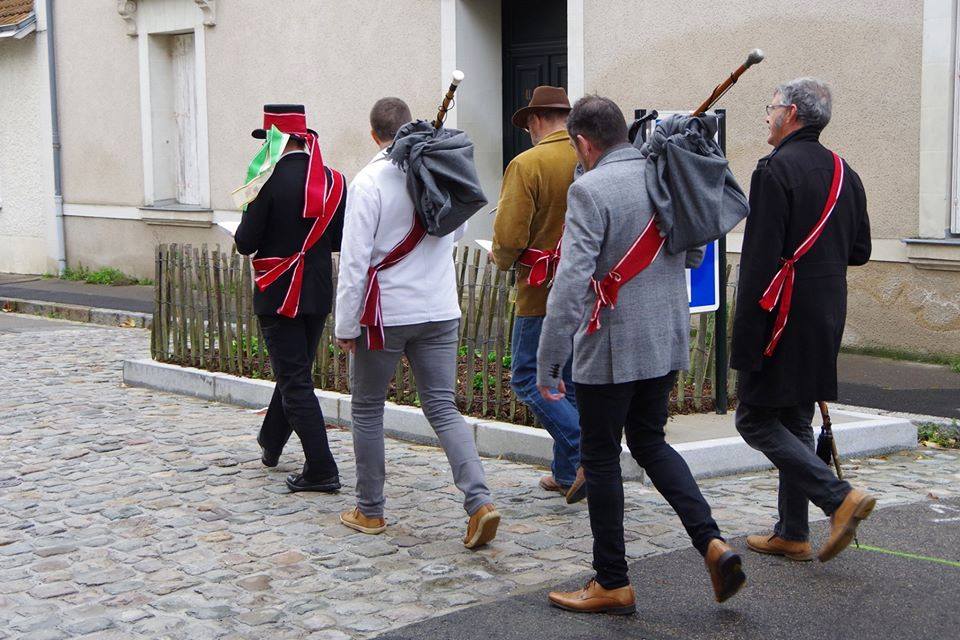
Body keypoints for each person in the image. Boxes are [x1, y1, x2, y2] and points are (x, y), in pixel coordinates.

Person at [536, 96, 745, 615]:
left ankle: (612, 581)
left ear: (584, 142)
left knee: (601, 458)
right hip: (665, 337)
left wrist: (548, 359)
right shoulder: (665, 176)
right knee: (651, 442)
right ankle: (711, 541)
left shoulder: (589, 190)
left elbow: (569, 283)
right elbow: (695, 249)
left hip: (610, 343)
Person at [334, 97, 500, 549]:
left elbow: (354, 263)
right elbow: (456, 229)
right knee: (443, 408)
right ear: (410, 126)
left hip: (386, 313)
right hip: (440, 307)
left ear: (374, 135)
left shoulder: (368, 182)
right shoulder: (437, 169)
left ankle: (370, 510)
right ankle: (479, 501)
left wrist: (345, 326)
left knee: (367, 407)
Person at [732, 78, 874, 563]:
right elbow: (860, 251)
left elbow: (757, 263)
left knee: (753, 419)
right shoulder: (843, 171)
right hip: (827, 312)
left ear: (790, 112)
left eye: (769, 108)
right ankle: (792, 532)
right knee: (794, 417)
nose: (766, 117)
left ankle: (838, 497)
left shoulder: (773, 170)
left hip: (781, 316)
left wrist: (745, 340)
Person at [235, 104, 345, 494]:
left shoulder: (265, 181)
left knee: (295, 379)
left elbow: (244, 243)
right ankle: (271, 442)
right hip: (315, 290)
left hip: (278, 290)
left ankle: (321, 467)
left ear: (275, 140)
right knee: (294, 371)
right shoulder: (335, 181)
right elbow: (337, 241)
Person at [491, 85, 585, 503]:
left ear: (535, 119)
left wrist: (500, 258)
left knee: (529, 378)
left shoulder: (528, 163)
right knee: (568, 381)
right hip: (586, 288)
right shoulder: (590, 154)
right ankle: (567, 473)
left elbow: (509, 236)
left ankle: (585, 454)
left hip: (540, 290)